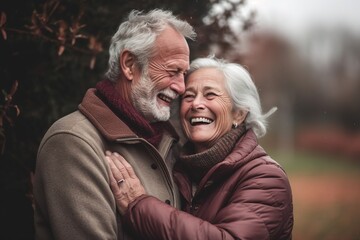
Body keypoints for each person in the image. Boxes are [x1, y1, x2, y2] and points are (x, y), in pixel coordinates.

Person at [33, 9, 196, 239]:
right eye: (172, 71)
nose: (181, 87)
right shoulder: (73, 142)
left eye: (184, 74)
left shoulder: (173, 144)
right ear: (129, 65)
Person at [106, 56, 294, 240]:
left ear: (239, 114)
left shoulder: (266, 178)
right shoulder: (176, 167)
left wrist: (139, 206)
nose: (196, 104)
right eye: (189, 96)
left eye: (210, 94)